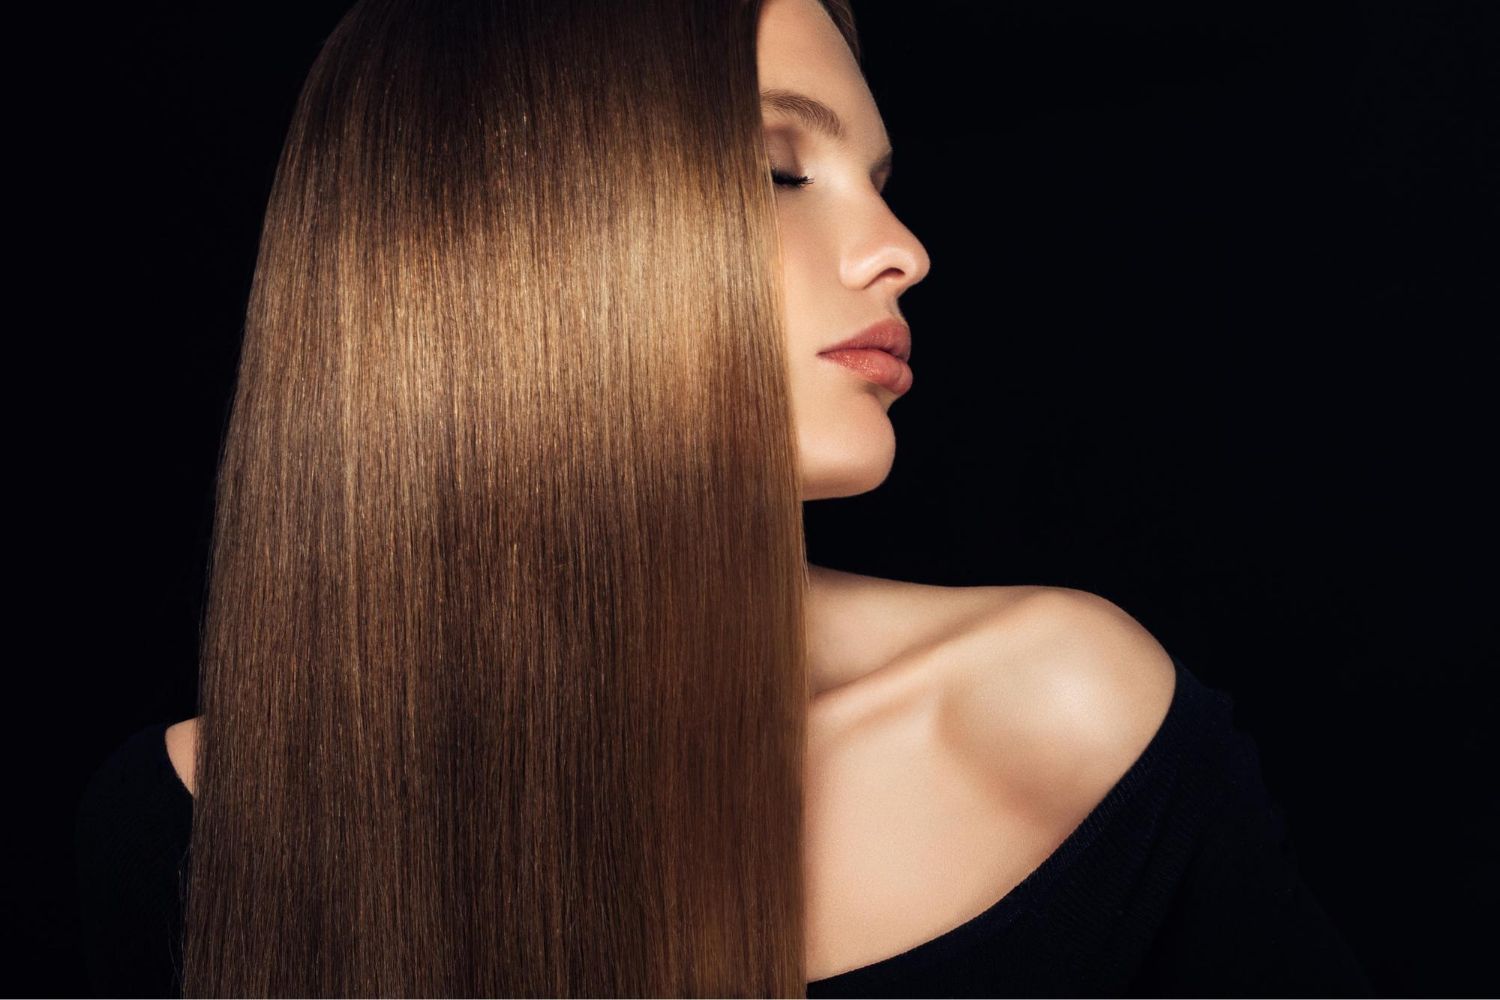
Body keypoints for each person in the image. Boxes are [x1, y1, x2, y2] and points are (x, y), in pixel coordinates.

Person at [75, 0, 1374, 995]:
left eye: (880, 179)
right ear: (520, 233)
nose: (902, 251)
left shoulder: (1045, 710)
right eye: (779, 170)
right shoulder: (189, 825)